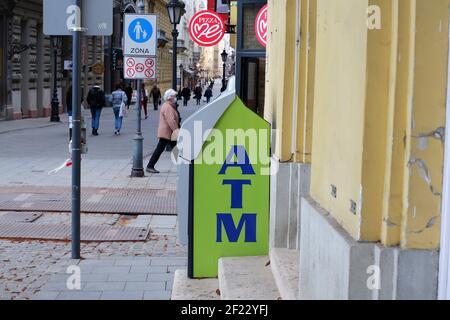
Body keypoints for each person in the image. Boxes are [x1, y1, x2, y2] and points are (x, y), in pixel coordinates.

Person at [146, 89, 180, 174]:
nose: (175, 97)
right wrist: (176, 131)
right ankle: (150, 166)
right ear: (170, 97)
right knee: (171, 149)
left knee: (172, 148)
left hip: (168, 132)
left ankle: (182, 165)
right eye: (174, 96)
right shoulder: (168, 107)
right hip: (167, 132)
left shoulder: (168, 105)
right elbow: (171, 121)